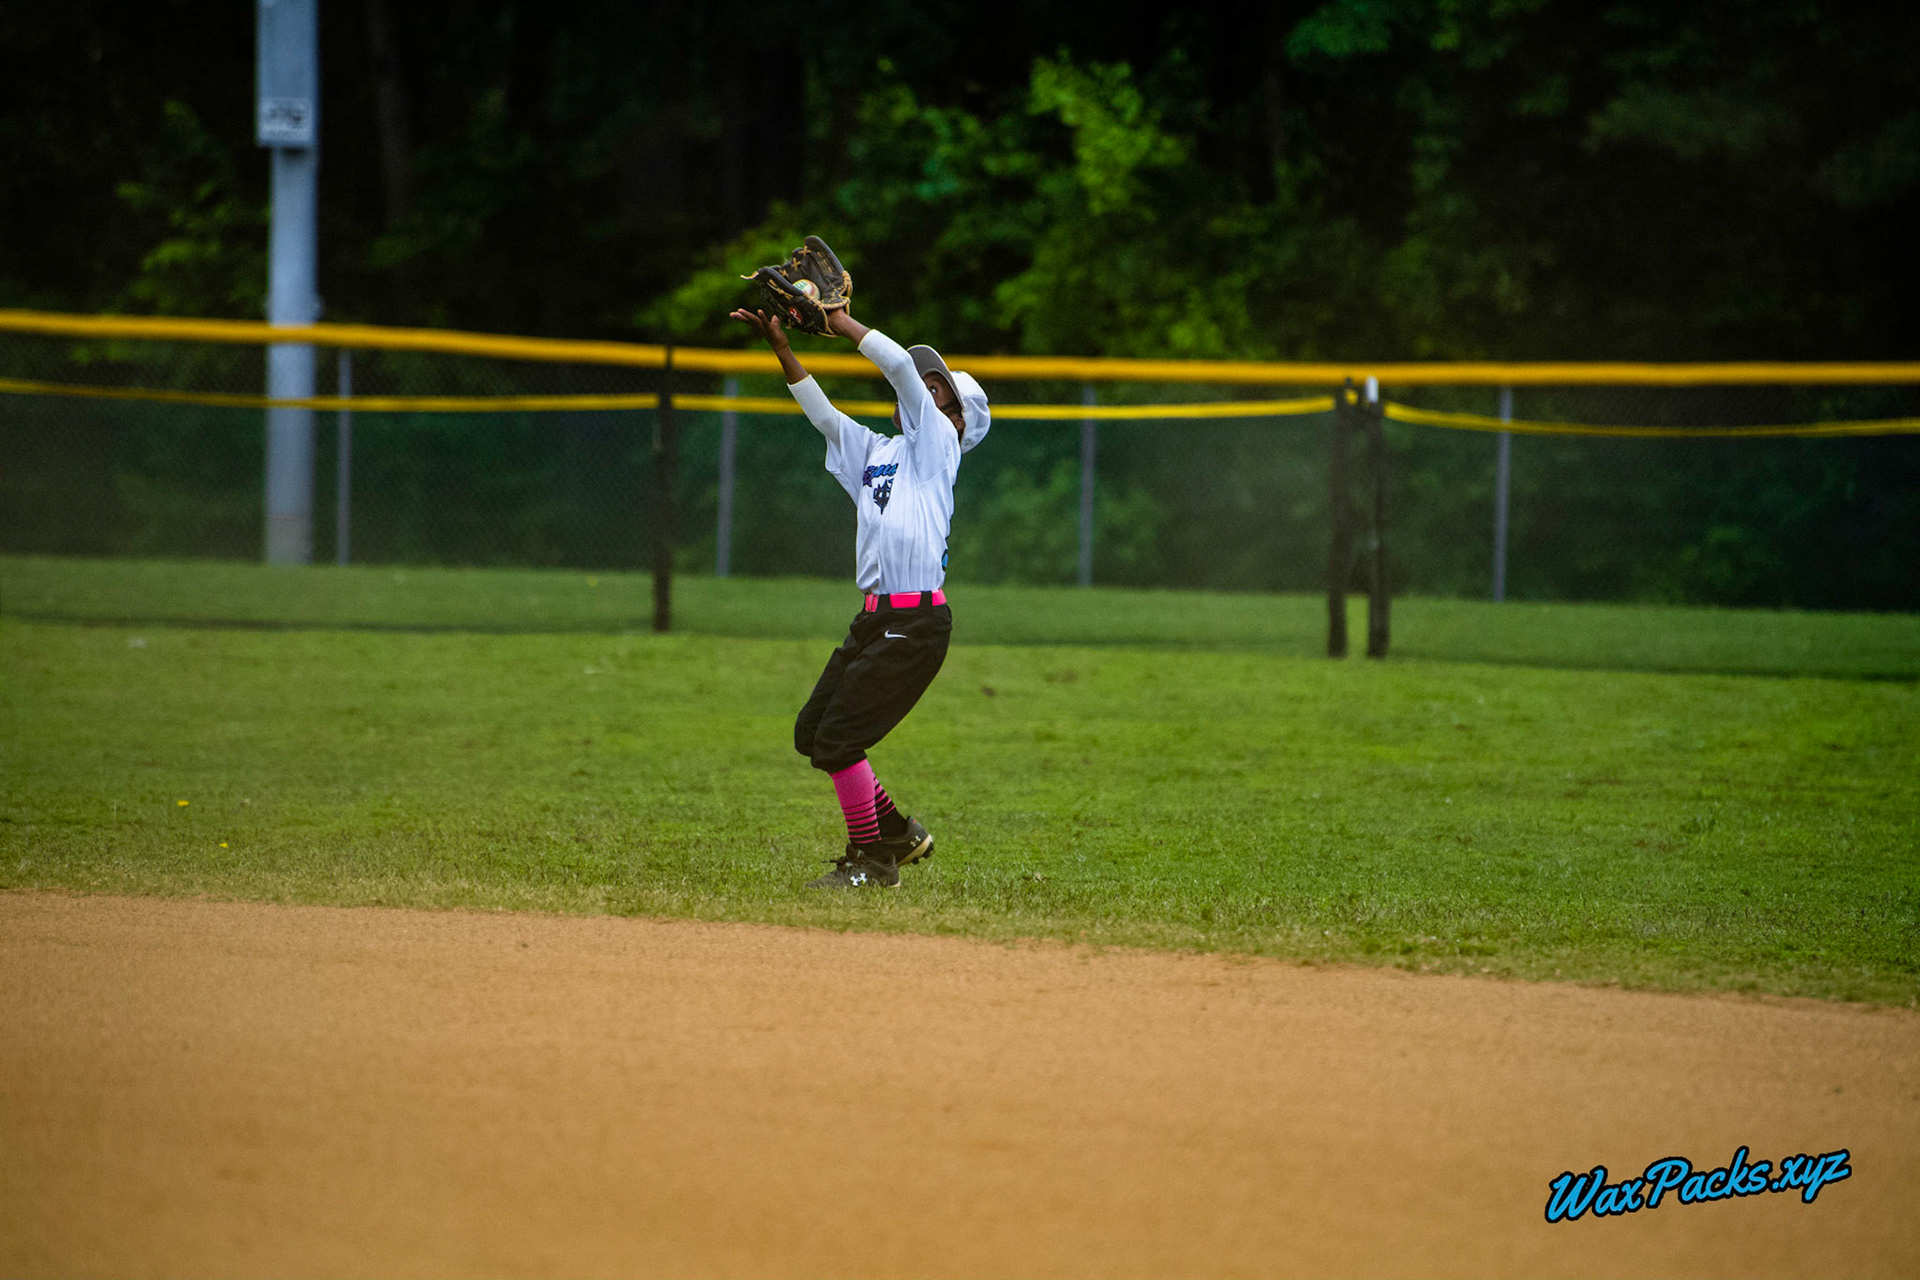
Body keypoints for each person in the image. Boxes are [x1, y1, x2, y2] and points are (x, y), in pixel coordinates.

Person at [728, 302, 990, 888]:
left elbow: (897, 366)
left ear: (956, 419)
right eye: (924, 387)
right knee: (813, 731)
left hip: (917, 622)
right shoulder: (880, 454)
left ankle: (873, 860)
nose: (922, 390)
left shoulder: (939, 450)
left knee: (840, 739)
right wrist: (783, 348)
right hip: (874, 620)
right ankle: (897, 830)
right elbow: (824, 418)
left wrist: (841, 322)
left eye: (937, 389)